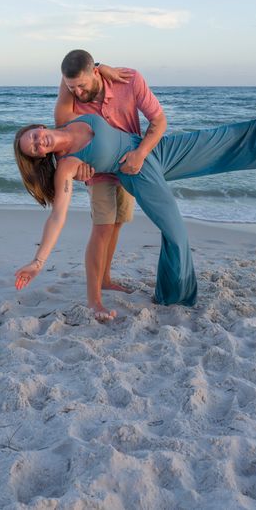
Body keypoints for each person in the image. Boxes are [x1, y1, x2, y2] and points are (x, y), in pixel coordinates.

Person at [13, 99, 256, 316]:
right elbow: (58, 216)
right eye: (35, 149)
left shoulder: (66, 118)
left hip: (149, 148)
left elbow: (70, 72)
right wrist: (38, 261)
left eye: (34, 137)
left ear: (38, 127)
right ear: (41, 157)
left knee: (204, 140)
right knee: (175, 231)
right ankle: (175, 295)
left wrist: (100, 68)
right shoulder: (67, 165)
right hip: (139, 172)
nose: (39, 142)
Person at [52, 50, 167, 321]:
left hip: (129, 166)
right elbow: (63, 136)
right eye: (72, 87)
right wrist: (76, 169)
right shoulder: (69, 98)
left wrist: (141, 154)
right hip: (99, 172)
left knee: (117, 222)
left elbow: (159, 121)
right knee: (102, 227)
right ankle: (94, 300)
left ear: (95, 73)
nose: (78, 92)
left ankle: (105, 278)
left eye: (82, 85)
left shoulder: (128, 80)